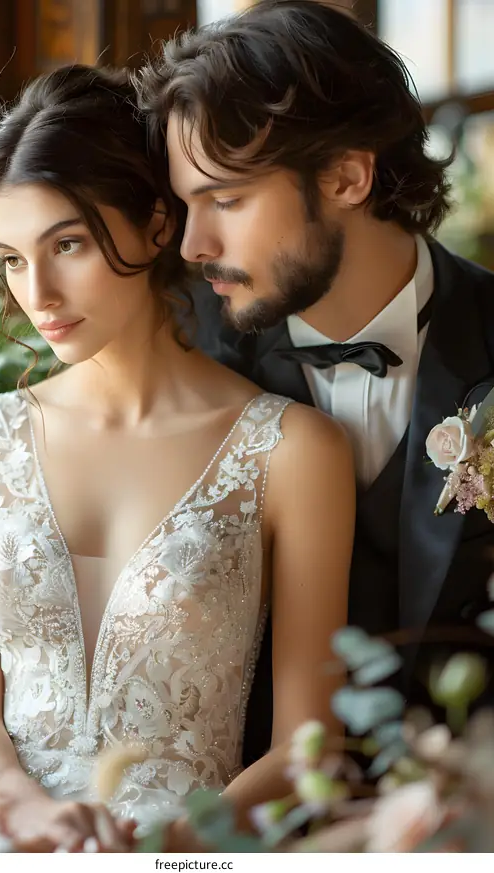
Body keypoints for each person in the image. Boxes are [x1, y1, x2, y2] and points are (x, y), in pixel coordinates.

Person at [0, 64, 355, 852]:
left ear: (155, 223)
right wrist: (23, 809)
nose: (37, 292)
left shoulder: (293, 451)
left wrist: (173, 843)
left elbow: (308, 743)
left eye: (66, 244)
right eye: (10, 258)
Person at [136, 0, 494, 764]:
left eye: (226, 199)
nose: (196, 244)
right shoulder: (177, 340)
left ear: (346, 175)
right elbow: (53, 500)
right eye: (186, 203)